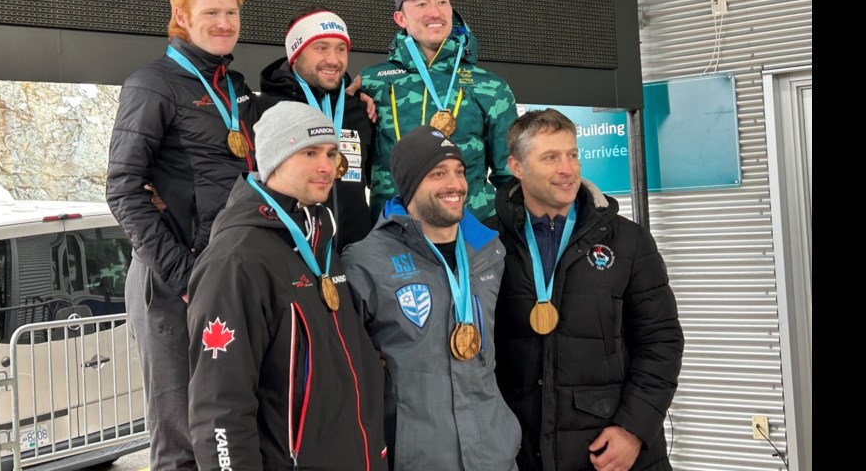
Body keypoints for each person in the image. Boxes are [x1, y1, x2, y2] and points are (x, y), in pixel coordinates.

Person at [106, 0, 258, 470]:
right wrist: (183, 272)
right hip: (172, 281)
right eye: (211, 12)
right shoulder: (152, 85)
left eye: (231, 12)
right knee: (180, 439)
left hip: (224, 276)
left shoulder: (235, 89)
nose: (224, 22)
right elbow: (123, 188)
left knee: (227, 422)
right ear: (181, 18)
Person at [187, 102, 387, 471]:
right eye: (309, 153)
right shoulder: (236, 259)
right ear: (275, 159)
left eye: (331, 153)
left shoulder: (319, 239)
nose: (327, 166)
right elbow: (220, 405)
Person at [493, 109, 684, 471]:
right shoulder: (486, 244)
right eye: (551, 157)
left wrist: (633, 430)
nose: (568, 169)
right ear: (517, 167)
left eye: (572, 154)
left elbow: (662, 342)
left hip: (610, 454)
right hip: (520, 452)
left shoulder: (628, 241)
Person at [341, 125, 521, 471]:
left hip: (495, 457)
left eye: (458, 171)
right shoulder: (364, 262)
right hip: (416, 458)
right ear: (409, 184)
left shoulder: (489, 251)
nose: (455, 185)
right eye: (438, 174)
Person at [358, 0, 518, 224]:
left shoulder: (489, 86)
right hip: (394, 233)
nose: (435, 11)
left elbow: (509, 176)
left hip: (471, 233)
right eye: (421, 3)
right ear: (400, 18)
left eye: (442, 1)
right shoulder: (371, 82)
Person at [258, 6, 374, 250]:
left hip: (353, 254)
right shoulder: (265, 110)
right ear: (296, 54)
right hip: (290, 255)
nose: (333, 59)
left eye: (341, 49)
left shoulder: (360, 111)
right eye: (321, 47)